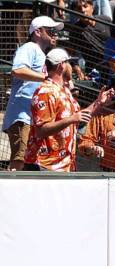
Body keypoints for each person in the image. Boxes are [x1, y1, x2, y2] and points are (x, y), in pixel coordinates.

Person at [24, 48, 113, 171]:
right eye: (70, 63)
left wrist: (99, 103)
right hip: (44, 165)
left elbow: (79, 117)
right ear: (61, 65)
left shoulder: (65, 91)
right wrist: (71, 119)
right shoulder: (45, 91)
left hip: (63, 165)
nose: (73, 68)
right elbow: (41, 130)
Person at [2, 16, 62, 172]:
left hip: (33, 119)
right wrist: (45, 77)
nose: (55, 34)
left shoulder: (43, 54)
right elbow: (18, 70)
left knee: (29, 161)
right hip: (22, 117)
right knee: (19, 161)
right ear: (37, 32)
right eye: (50, 31)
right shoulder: (29, 47)